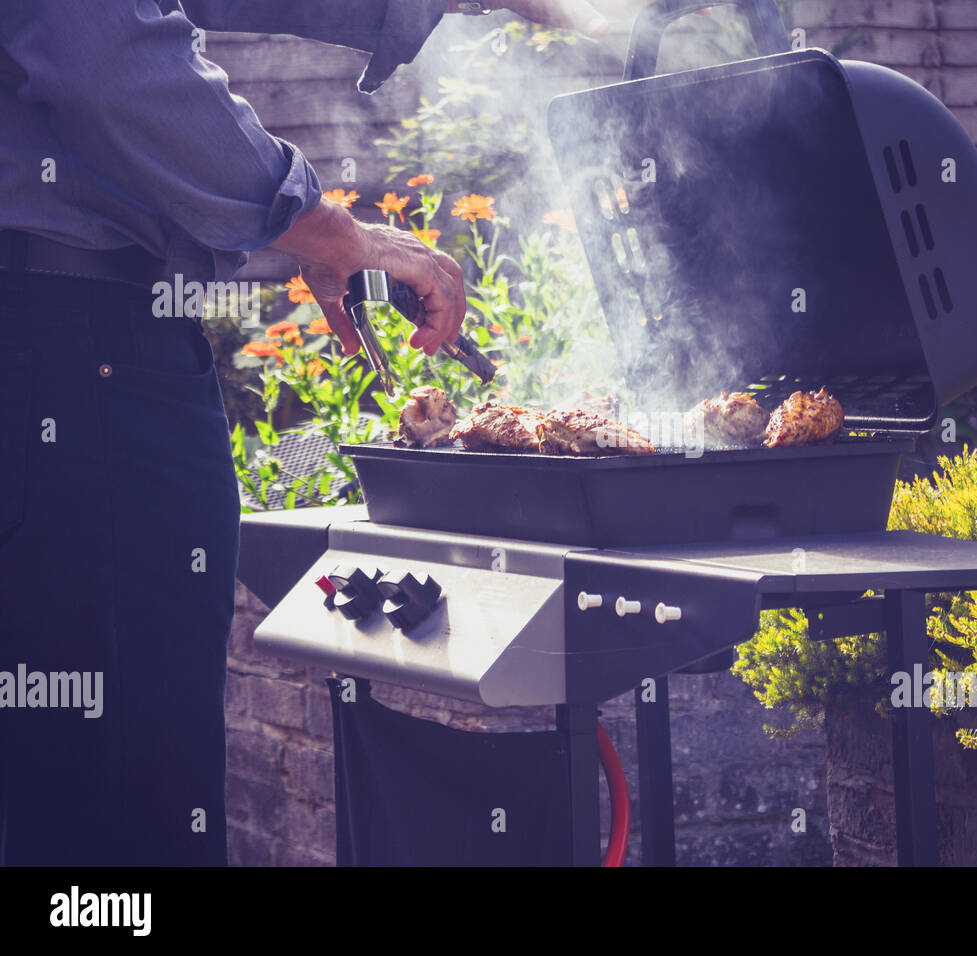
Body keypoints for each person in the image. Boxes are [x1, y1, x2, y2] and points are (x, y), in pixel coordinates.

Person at [0, 0, 640, 866]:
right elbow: (105, 52)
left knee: (49, 781)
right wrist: (319, 220)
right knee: (125, 794)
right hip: (77, 355)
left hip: (61, 344)